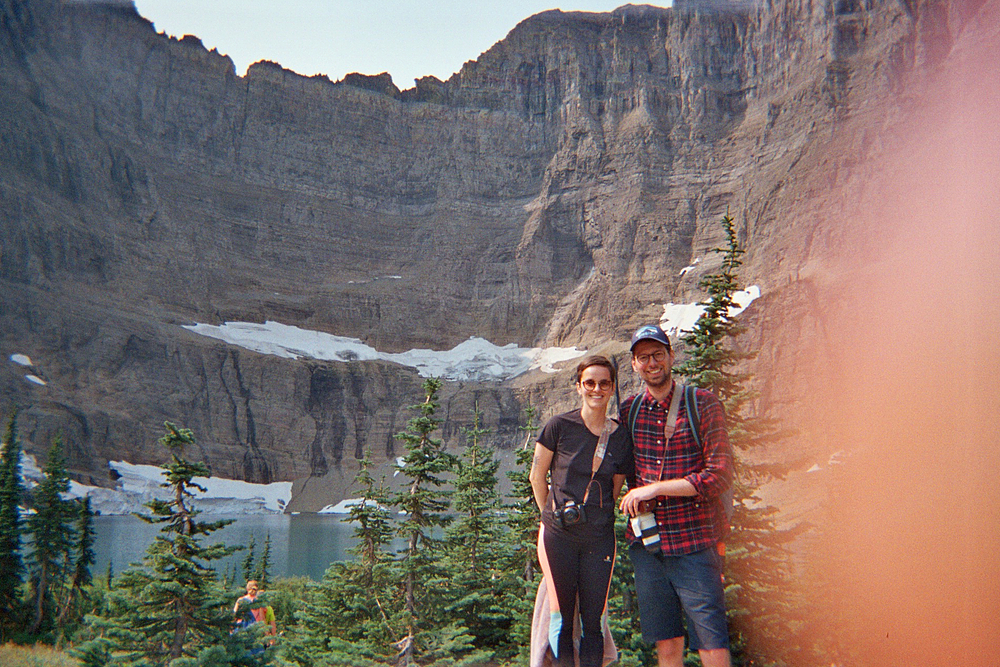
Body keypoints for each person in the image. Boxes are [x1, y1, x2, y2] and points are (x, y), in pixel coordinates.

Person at [618, 325, 734, 667]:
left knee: (712, 643)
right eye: (643, 358)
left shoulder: (703, 404)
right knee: (666, 644)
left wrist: (657, 488)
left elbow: (720, 474)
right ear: (635, 365)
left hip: (695, 542)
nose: (651, 363)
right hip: (647, 545)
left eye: (657, 355)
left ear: (671, 356)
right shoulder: (630, 411)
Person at [529, 355, 633, 667]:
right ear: (578, 386)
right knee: (560, 617)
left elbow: (615, 487)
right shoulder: (558, 427)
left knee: (594, 621)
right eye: (589, 382)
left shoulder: (620, 437)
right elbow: (537, 476)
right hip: (558, 535)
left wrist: (593, 515)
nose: (596, 389)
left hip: (599, 539)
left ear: (612, 387)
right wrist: (552, 514)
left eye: (604, 383)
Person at [234, 579, 277, 644]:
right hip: (254, 629)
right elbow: (262, 619)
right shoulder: (258, 602)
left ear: (247, 589)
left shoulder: (240, 600)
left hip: (241, 627)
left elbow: (234, 615)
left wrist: (230, 629)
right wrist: (267, 635)